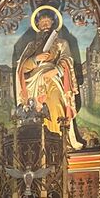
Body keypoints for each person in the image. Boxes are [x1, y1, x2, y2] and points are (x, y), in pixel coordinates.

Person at [14, 8, 84, 149]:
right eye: (42, 22)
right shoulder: (31, 46)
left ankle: (58, 144)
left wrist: (56, 70)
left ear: (53, 23)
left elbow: (67, 59)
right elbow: (22, 68)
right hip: (34, 83)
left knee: (55, 106)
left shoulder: (61, 43)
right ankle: (39, 146)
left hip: (53, 79)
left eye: (48, 22)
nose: (45, 25)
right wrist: (35, 59)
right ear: (38, 25)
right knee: (37, 112)